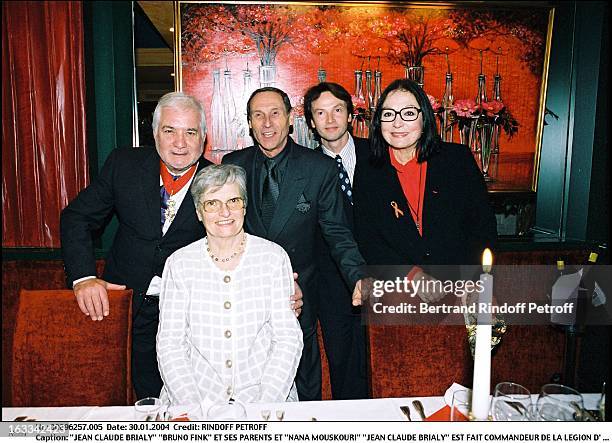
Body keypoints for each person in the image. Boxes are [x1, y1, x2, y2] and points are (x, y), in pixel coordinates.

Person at [60, 92, 303, 400]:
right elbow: (77, 218)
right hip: (120, 304)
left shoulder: (216, 182)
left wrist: (286, 286)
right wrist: (83, 277)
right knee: (118, 402)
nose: (180, 143)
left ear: (203, 138)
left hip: (187, 319)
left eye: (190, 132)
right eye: (169, 131)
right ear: (154, 133)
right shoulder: (124, 165)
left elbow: (248, 235)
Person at [222, 87, 368, 401]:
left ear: (290, 120)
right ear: (249, 123)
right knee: (248, 374)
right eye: (258, 115)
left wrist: (358, 276)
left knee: (303, 375)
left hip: (300, 294)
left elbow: (338, 233)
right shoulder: (232, 166)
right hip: (245, 291)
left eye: (275, 113)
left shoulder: (319, 168)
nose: (267, 123)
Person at [157, 164, 303, 406]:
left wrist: (263, 407)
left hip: (265, 398)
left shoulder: (273, 258)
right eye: (212, 203)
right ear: (198, 212)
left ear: (244, 207)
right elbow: (171, 345)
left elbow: (287, 340)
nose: (224, 212)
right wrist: (194, 409)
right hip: (196, 399)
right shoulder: (179, 264)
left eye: (233, 201)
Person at [353, 79, 497, 301]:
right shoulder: (368, 170)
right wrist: (412, 275)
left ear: (425, 119)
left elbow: (482, 227)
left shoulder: (457, 160)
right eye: (388, 114)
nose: (397, 123)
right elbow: (368, 239)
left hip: (460, 289)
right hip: (399, 294)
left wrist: (474, 281)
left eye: (408, 113)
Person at [302, 82, 368, 399]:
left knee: (387, 364)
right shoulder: (307, 168)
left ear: (350, 116)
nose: (330, 120)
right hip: (329, 286)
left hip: (382, 279)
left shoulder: (379, 157)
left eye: (337, 110)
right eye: (320, 113)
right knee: (343, 369)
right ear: (311, 123)